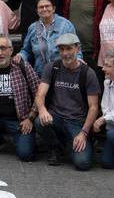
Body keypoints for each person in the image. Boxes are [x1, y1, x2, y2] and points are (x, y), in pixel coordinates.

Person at [34, 33, 100, 170]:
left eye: (69, 49)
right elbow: (40, 94)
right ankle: (55, 148)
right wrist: (42, 110)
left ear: (78, 48)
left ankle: (73, 145)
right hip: (55, 118)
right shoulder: (52, 68)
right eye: (62, 49)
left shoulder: (88, 73)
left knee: (83, 163)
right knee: (39, 121)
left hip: (76, 122)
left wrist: (84, 133)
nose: (65, 53)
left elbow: (94, 107)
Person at [16, 0, 78, 77]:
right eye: (41, 7)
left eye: (47, 6)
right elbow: (26, 50)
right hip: (40, 75)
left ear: (54, 9)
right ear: (37, 11)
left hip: (63, 73)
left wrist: (78, 62)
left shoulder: (66, 25)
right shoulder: (33, 28)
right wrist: (20, 56)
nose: (44, 9)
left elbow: (76, 48)